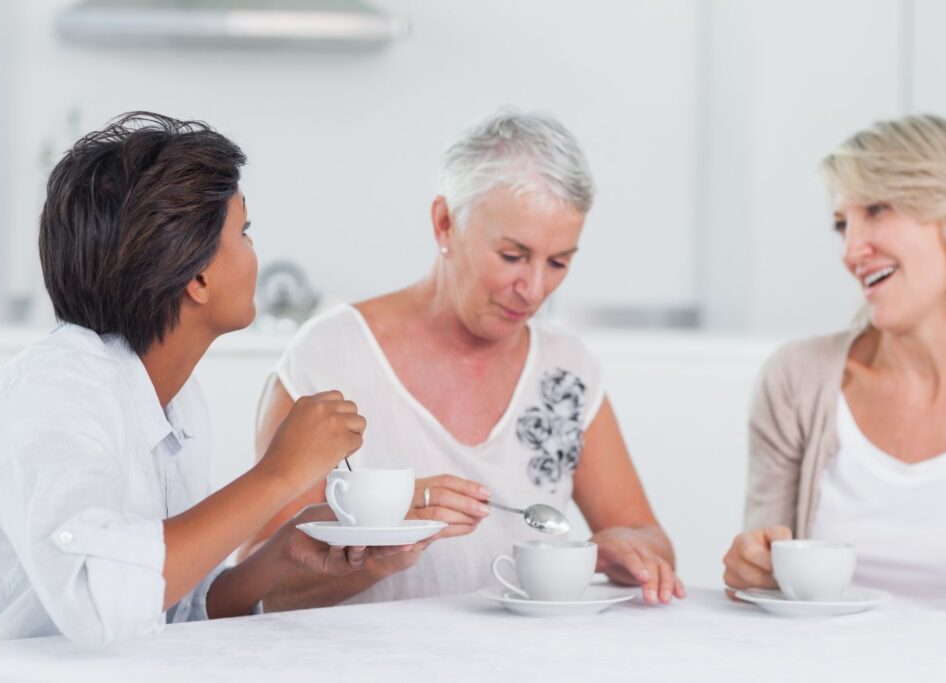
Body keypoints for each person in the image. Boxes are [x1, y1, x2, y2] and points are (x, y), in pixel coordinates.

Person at [0, 112, 410, 643]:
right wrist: (278, 474)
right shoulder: (50, 393)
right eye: (243, 232)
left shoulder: (178, 402)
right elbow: (99, 599)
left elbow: (175, 608)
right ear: (198, 276)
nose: (254, 250)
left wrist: (284, 551)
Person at [244, 109, 685, 608]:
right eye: (512, 256)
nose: (534, 289)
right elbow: (258, 590)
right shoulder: (329, 358)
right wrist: (384, 548)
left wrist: (628, 551)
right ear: (445, 223)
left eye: (559, 262)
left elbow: (647, 535)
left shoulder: (566, 371)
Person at [723, 114, 946, 614]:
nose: (851, 251)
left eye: (876, 209)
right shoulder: (798, 380)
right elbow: (762, 584)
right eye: (841, 225)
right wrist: (753, 569)